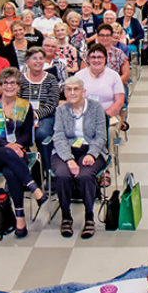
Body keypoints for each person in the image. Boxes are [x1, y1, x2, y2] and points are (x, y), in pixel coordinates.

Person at [0, 68, 49, 238]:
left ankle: (20, 217)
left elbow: (26, 134)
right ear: (0, 86)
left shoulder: (25, 106)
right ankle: (33, 187)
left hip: (18, 150)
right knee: (10, 155)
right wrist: (8, 145)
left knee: (11, 171)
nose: (9, 86)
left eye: (13, 83)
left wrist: (17, 144)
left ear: (18, 86)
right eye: (5, 83)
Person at [50, 78, 107, 239]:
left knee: (85, 175)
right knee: (62, 174)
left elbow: (101, 136)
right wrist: (69, 159)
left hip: (90, 149)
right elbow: (59, 136)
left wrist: (91, 154)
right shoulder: (61, 110)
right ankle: (66, 216)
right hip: (66, 150)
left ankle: (89, 217)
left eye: (76, 89)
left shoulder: (96, 108)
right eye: (69, 89)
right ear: (65, 93)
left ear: (84, 92)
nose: (73, 92)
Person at [20, 46, 61, 175]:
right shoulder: (20, 79)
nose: (38, 61)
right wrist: (28, 118)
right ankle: (24, 173)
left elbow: (52, 103)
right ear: (27, 62)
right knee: (18, 134)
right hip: (23, 116)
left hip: (46, 116)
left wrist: (36, 115)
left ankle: (48, 172)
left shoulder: (51, 79)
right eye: (34, 58)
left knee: (41, 134)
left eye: (41, 58)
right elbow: (16, 100)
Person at [73, 44, 125, 127]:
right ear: (88, 59)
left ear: (105, 59)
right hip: (84, 116)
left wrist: (106, 116)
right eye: (93, 57)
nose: (96, 60)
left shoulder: (114, 76)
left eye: (100, 57)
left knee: (109, 132)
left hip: (109, 117)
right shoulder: (79, 76)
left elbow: (119, 101)